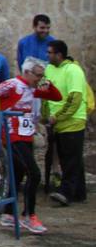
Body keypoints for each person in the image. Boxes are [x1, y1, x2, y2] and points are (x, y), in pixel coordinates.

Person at [0, 57, 61, 233]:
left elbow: (57, 96)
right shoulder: (12, 85)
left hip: (27, 137)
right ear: (26, 72)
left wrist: (47, 84)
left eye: (42, 75)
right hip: (13, 136)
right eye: (38, 75)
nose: (39, 79)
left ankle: (9, 214)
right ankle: (29, 215)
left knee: (18, 173)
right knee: (34, 174)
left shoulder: (33, 89)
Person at [45, 40, 88, 206]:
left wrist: (59, 116)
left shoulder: (73, 70)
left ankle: (66, 193)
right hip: (58, 122)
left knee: (70, 159)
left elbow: (75, 98)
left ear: (59, 54)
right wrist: (45, 114)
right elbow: (45, 92)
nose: (47, 55)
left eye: (50, 52)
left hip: (73, 121)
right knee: (71, 158)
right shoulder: (49, 70)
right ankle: (79, 192)